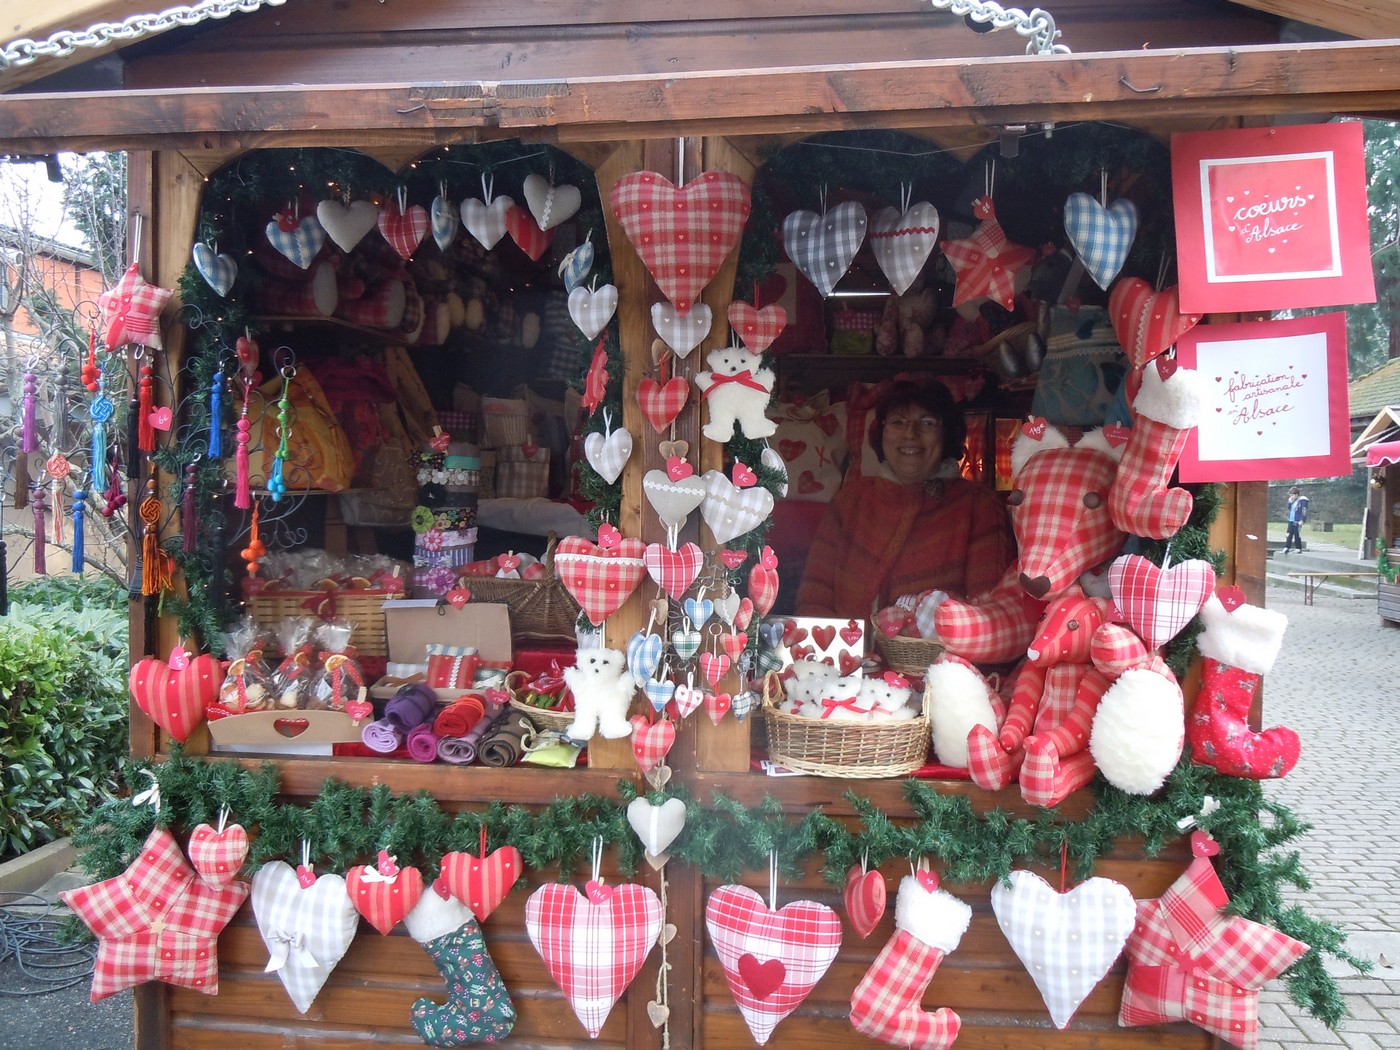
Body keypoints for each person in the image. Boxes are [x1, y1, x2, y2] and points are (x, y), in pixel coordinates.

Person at [795, 379, 1016, 619]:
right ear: (882, 432)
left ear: (947, 434)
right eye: (898, 422)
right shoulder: (848, 502)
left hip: (942, 656)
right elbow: (814, 599)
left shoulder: (979, 507)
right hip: (842, 654)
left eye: (927, 423)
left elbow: (987, 614)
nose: (910, 434)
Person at [1283, 486, 1309, 553]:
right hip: (1291, 519)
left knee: (1297, 534)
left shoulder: (1302, 500)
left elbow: (1304, 510)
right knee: (1288, 534)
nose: (1291, 497)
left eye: (1292, 495)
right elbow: (1289, 508)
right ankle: (1287, 547)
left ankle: (1298, 548)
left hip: (1297, 520)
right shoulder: (1292, 501)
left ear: (1296, 494)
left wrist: (1302, 519)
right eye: (1290, 495)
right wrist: (1290, 501)